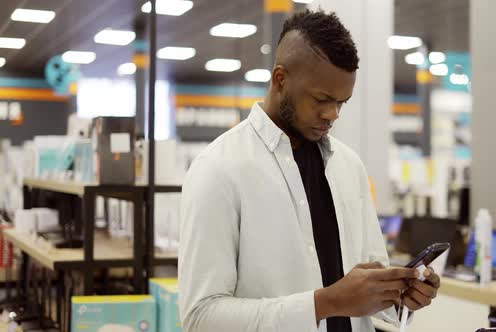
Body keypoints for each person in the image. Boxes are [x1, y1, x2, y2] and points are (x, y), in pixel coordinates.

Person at [179, 9, 440, 332]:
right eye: (321, 99)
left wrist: (399, 296)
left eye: (342, 102)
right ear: (280, 79)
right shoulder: (218, 170)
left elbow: (372, 301)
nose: (332, 114)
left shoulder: (349, 167)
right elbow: (201, 318)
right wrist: (326, 303)